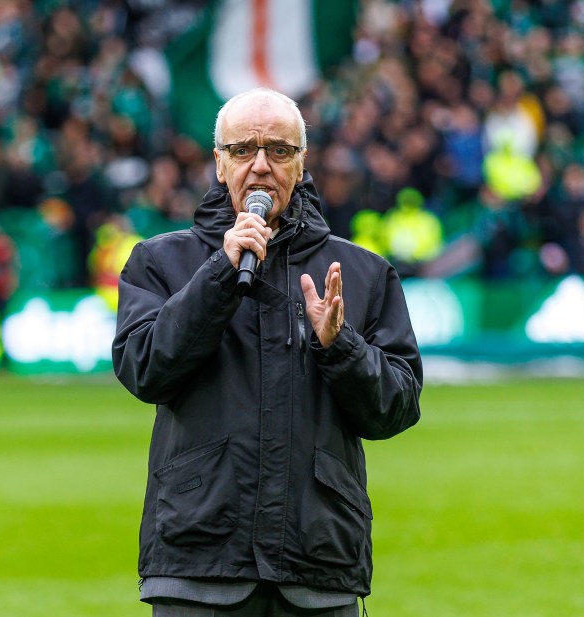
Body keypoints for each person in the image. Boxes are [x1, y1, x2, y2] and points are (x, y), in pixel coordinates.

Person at [112, 88, 423, 616]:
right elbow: (145, 370)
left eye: (278, 151)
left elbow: (396, 408)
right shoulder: (161, 262)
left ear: (301, 165)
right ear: (219, 163)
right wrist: (218, 276)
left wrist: (340, 345)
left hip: (317, 563)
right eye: (243, 150)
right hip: (200, 563)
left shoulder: (363, 273)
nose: (260, 166)